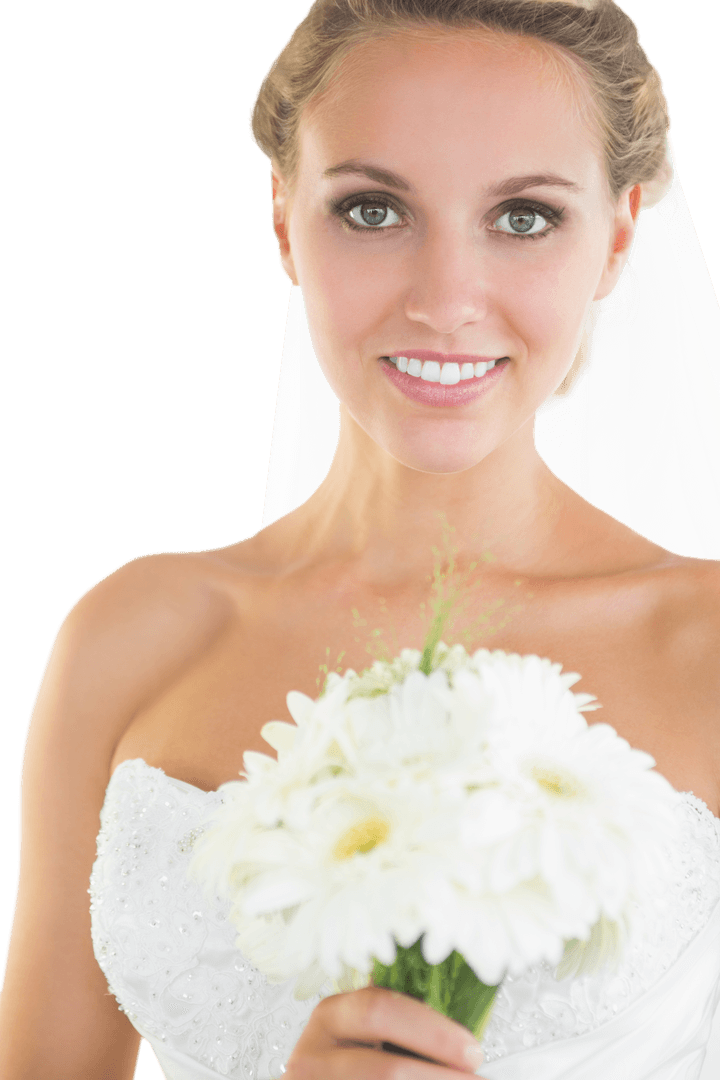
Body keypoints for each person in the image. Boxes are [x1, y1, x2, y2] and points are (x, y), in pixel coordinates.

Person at [1, 1, 719, 1078]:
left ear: (618, 236)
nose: (446, 301)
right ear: (284, 219)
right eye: (374, 211)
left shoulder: (707, 648)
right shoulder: (130, 639)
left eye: (524, 217)